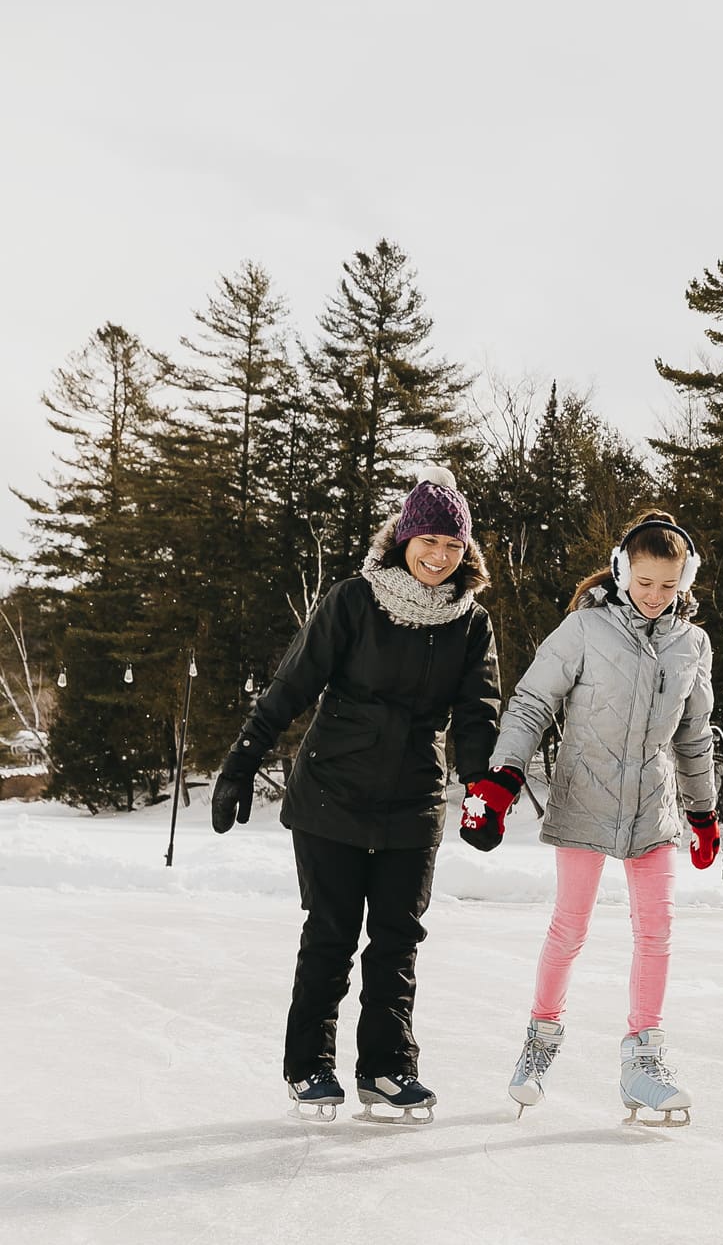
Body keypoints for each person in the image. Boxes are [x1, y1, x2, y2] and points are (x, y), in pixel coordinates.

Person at [210, 467, 500, 1124]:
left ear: (465, 550)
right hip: (330, 794)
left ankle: (386, 1066)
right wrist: (241, 760)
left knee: (397, 938)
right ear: (403, 537)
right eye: (427, 539)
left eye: (452, 545)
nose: (438, 555)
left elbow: (479, 712)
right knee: (332, 933)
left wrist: (483, 792)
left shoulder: (471, 623)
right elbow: (292, 684)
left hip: (413, 799)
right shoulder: (352, 600)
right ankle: (309, 1062)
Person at [459, 509, 717, 1125]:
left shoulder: (693, 644)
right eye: (645, 582)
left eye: (669, 586)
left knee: (656, 932)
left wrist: (703, 811)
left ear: (686, 582)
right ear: (623, 570)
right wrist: (501, 779)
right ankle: (541, 1039)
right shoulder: (583, 629)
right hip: (585, 797)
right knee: (569, 929)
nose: (656, 597)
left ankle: (644, 1060)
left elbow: (694, 736)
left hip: (654, 809)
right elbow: (529, 704)